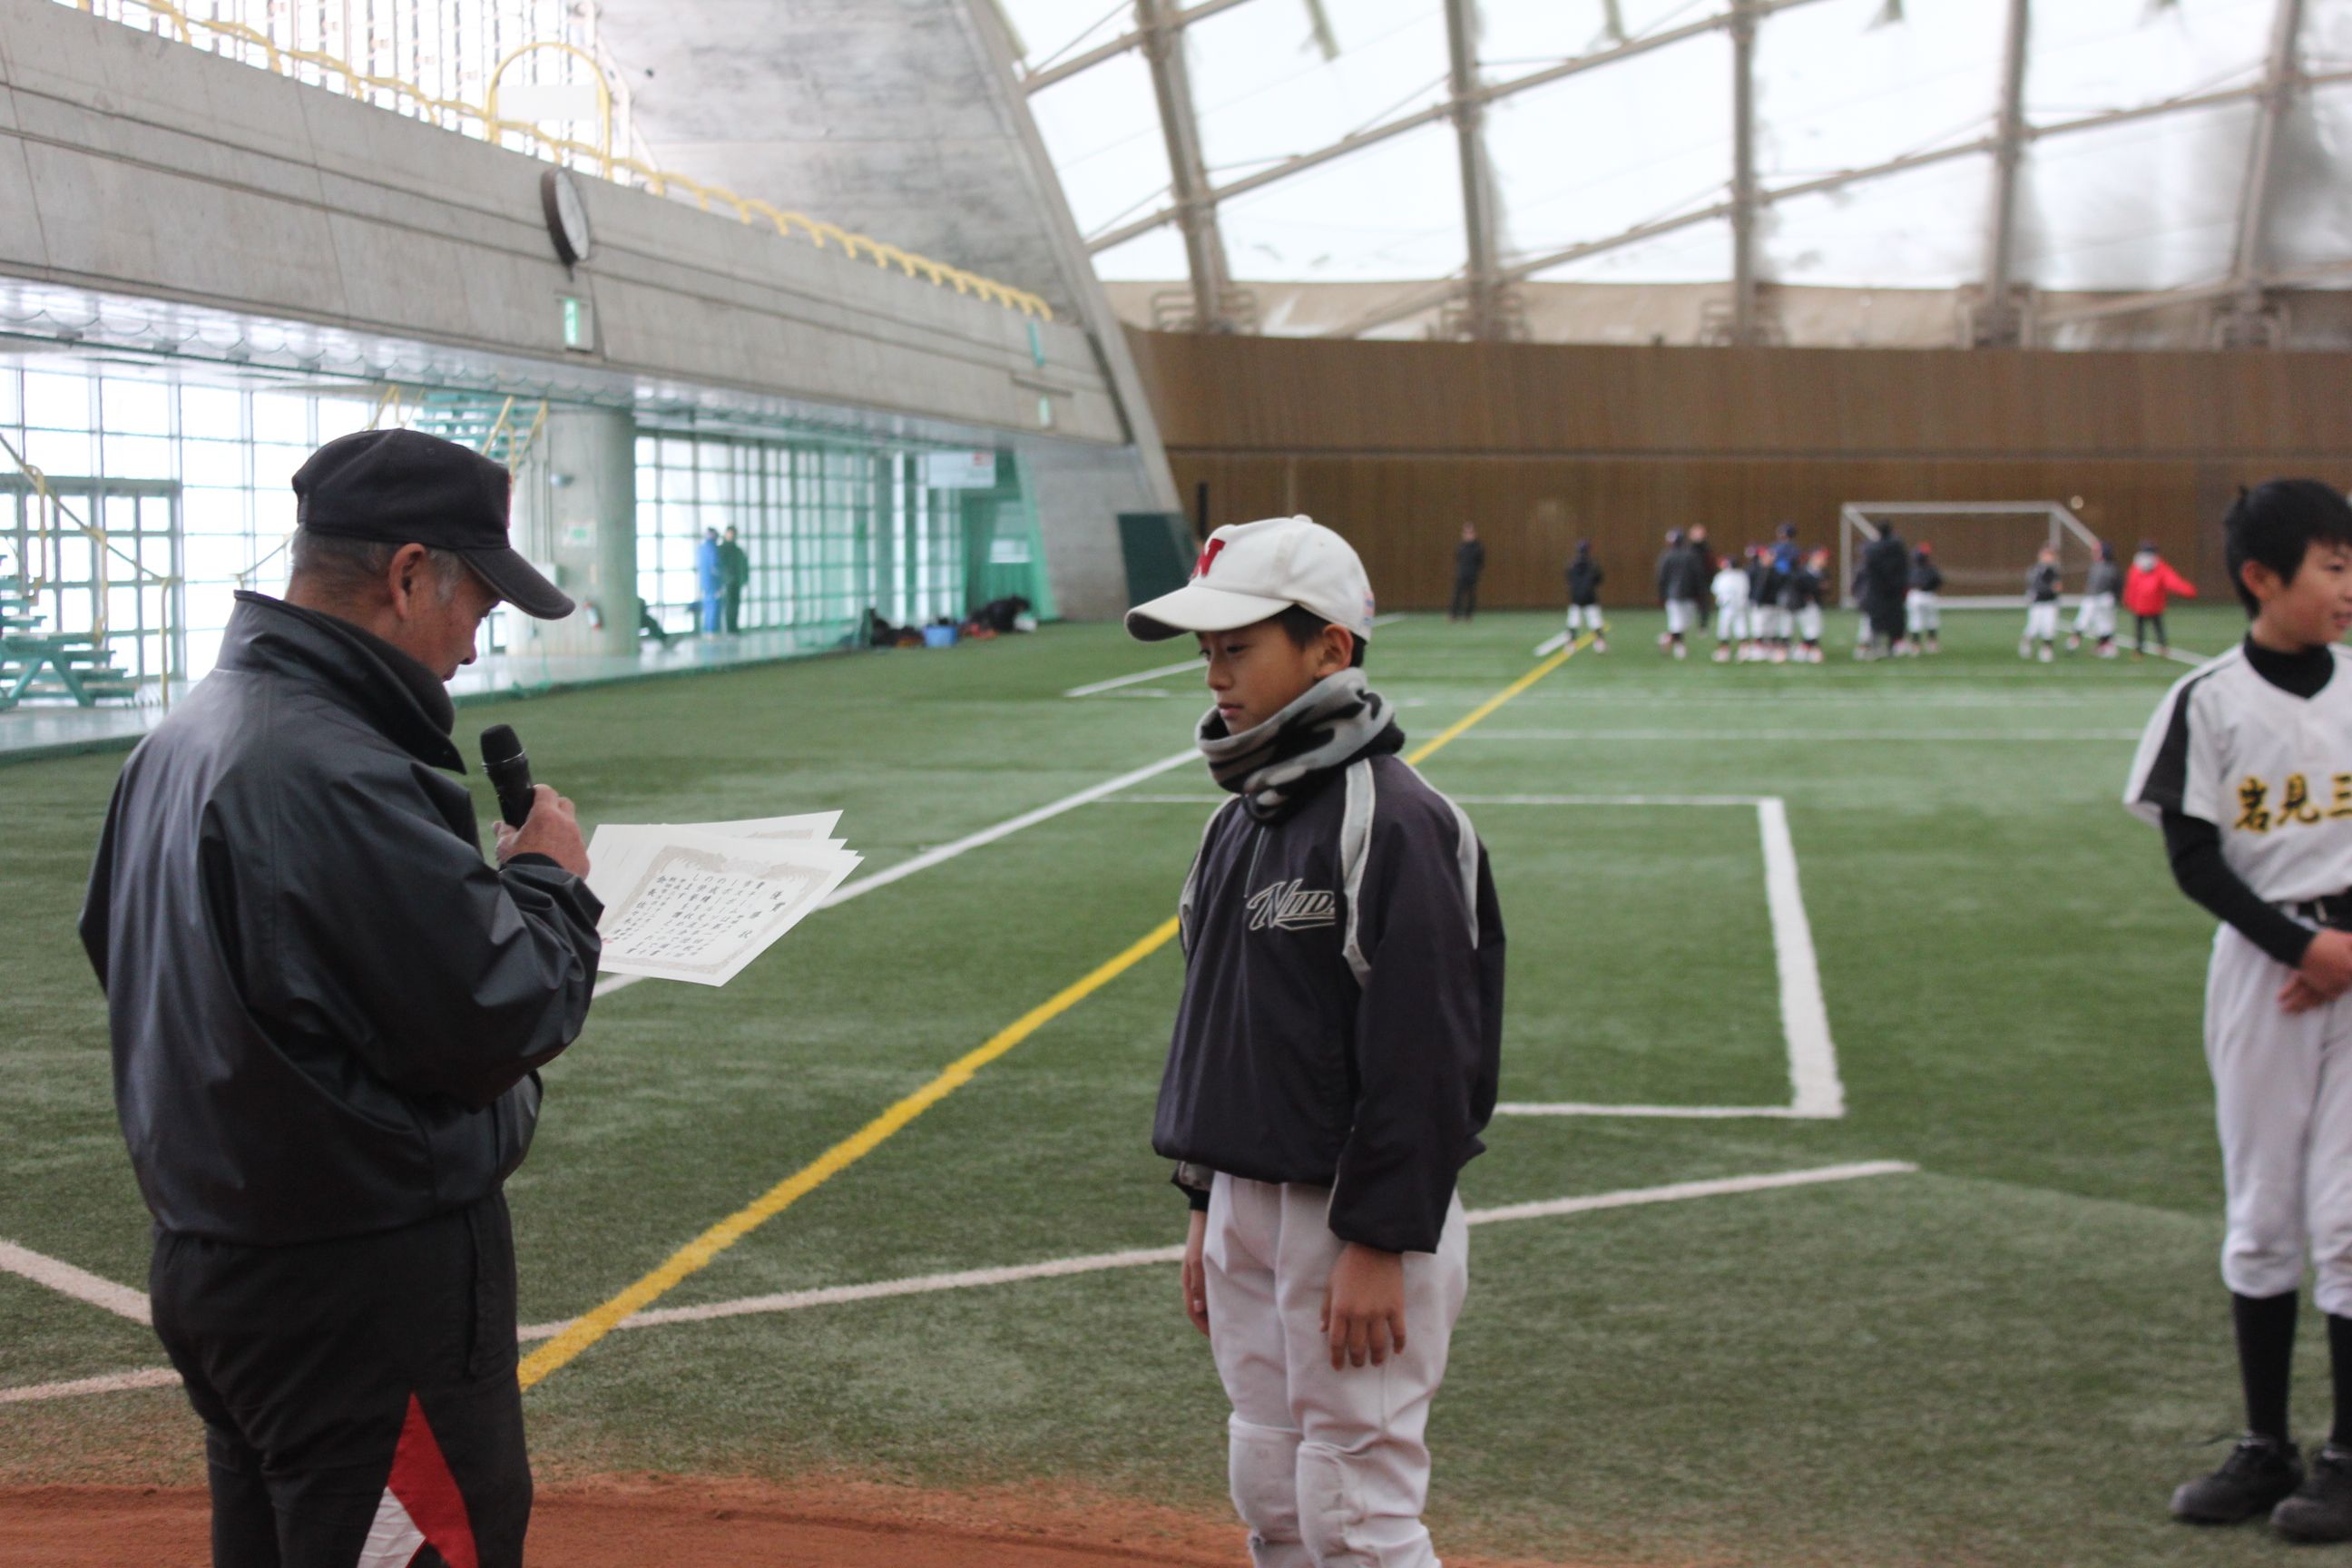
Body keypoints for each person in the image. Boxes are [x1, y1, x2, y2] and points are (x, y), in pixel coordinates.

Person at [79, 428, 603, 1568]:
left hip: (220, 1261)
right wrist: (547, 880)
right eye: (476, 601)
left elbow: (117, 953)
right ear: (409, 575)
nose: (476, 640)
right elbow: (505, 1013)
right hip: (363, 1288)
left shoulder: (185, 734)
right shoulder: (329, 765)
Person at [1123, 514, 1503, 1568]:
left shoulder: (1398, 823)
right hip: (1246, 1200)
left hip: (1354, 1217)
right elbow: (1218, 1023)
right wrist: (1207, 1202)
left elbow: (1432, 1057)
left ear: (1330, 647)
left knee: (1354, 1511)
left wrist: (1381, 1239)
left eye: (1237, 649)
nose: (1215, 678)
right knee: (1274, 1486)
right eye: (1207, 653)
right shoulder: (1234, 823)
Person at [2125, 480, 2352, 1543]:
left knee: (2349, 1218)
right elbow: (2192, 857)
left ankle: (2349, 1457)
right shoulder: (2206, 699)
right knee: (2263, 1209)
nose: (2349, 587)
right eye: (2333, 567)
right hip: (2266, 974)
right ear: (2263, 579)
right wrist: (2302, 946)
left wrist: (2345, 949)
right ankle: (2268, 1447)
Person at [2127, 541, 2200, 658]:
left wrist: (2188, 590)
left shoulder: (2158, 568)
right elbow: (2132, 587)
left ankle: (2161, 648)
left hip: (2153, 606)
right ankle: (2140, 650)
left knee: (2156, 628)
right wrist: (2130, 601)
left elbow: (2173, 582)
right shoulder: (2137, 568)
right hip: (2142, 606)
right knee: (2142, 629)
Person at [1859, 521, 1910, 661]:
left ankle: (1876, 647)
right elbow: (1904, 568)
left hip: (1877, 590)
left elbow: (1867, 568)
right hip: (1894, 590)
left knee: (1876, 620)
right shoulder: (1898, 548)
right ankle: (1893, 646)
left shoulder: (1872, 549)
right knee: (1894, 619)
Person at [2068, 541, 2122, 657]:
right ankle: (2074, 641)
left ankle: (2105, 646)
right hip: (2092, 598)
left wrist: (2115, 598)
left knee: (2104, 624)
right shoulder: (2095, 566)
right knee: (2083, 620)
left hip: (2105, 598)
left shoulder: (2111, 568)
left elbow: (2117, 585)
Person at [1710, 548, 1750, 663]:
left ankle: (1724, 651)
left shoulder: (1722, 576)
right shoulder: (1742, 575)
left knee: (1725, 628)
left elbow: (1716, 590)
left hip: (1727, 606)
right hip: (1739, 605)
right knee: (1741, 626)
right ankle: (1744, 650)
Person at [2023, 545, 2063, 662]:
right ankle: (2027, 642)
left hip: (2050, 603)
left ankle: (2046, 650)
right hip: (2038, 603)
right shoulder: (2035, 570)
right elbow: (2032, 586)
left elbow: (2058, 587)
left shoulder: (2054, 571)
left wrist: (2055, 589)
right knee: (2034, 627)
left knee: (2049, 628)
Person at [1565, 540, 1606, 652]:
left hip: (1576, 597)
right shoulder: (1593, 565)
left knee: (1573, 621)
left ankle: (1571, 644)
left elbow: (1568, 579)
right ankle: (1599, 643)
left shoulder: (1572, 565)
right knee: (1595, 620)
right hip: (1590, 597)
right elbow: (1599, 579)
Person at [1905, 544, 1944, 656]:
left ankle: (1915, 646)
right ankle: (1932, 644)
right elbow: (1938, 581)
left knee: (1915, 621)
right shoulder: (1931, 569)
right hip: (1929, 595)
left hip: (1915, 595)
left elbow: (1907, 582)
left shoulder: (1911, 570)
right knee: (1932, 621)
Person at [1448, 523, 1485, 622]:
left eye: (1470, 532)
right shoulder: (1461, 547)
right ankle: (1453, 614)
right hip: (1461, 574)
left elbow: (1480, 562)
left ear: (1474, 534)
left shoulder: (1478, 547)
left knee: (1471, 596)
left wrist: (1475, 572)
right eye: (1466, 533)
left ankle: (1468, 615)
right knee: (1457, 595)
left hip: (1472, 575)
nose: (1468, 535)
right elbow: (1457, 558)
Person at [719, 525, 750, 634]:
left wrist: (744, 579)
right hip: (727, 582)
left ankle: (734, 628)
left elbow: (744, 565)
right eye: (729, 533)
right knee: (729, 606)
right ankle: (730, 629)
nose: (731, 536)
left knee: (735, 605)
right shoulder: (721, 549)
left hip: (736, 582)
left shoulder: (738, 550)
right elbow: (719, 567)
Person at [696, 526, 724, 634]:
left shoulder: (701, 548)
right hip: (713, 583)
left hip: (705, 582)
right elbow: (715, 566)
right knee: (714, 606)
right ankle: (712, 631)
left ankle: (707, 629)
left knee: (707, 606)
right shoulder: (713, 548)